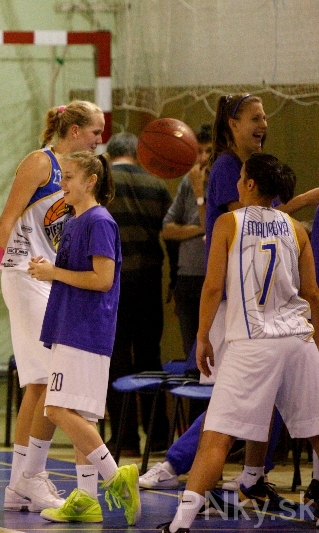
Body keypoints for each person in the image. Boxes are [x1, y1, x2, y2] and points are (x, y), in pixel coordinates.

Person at [160, 153, 319, 533]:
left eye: (240, 177)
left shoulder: (229, 222)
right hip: (298, 340)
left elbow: (212, 287)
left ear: (249, 184)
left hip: (253, 342)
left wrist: (203, 337)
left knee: (215, 437)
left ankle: (180, 524)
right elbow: (313, 293)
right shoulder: (297, 229)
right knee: (317, 431)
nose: (235, 182)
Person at [0, 101, 105, 512]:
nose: (100, 138)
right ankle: (31, 476)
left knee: (38, 383)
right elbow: (6, 220)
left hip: (49, 278)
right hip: (22, 273)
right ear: (75, 130)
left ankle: (19, 485)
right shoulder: (40, 163)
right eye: (95, 131)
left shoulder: (80, 176)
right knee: (50, 379)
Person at [202, 93, 319, 499]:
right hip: (233, 302)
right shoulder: (227, 168)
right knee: (229, 405)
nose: (263, 123)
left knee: (257, 397)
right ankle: (196, 483)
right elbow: (253, 223)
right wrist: (303, 204)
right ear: (232, 124)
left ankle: (251, 476)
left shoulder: (257, 171)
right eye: (255, 117)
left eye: (266, 117)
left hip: (263, 309)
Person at [27, 151, 140, 526]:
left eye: (69, 177)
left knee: (57, 409)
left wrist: (54, 274)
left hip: (85, 328)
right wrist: (48, 271)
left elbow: (102, 279)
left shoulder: (99, 221)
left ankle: (115, 476)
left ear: (91, 181)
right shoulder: (75, 219)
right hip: (70, 325)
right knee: (79, 415)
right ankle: (87, 498)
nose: (62, 183)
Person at [104, 131, 172, 455]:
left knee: (116, 358)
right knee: (149, 356)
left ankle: (124, 438)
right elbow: (169, 233)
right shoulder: (157, 184)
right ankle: (158, 437)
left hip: (112, 280)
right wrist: (174, 277)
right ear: (137, 154)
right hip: (149, 278)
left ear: (109, 154)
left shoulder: (104, 183)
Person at [161, 124, 212, 360]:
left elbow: (214, 229)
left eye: (208, 151)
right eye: (198, 152)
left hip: (212, 277)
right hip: (186, 277)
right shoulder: (187, 182)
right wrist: (199, 229)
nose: (202, 158)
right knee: (190, 352)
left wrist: (200, 191)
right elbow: (167, 229)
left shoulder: (225, 182)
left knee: (213, 352)